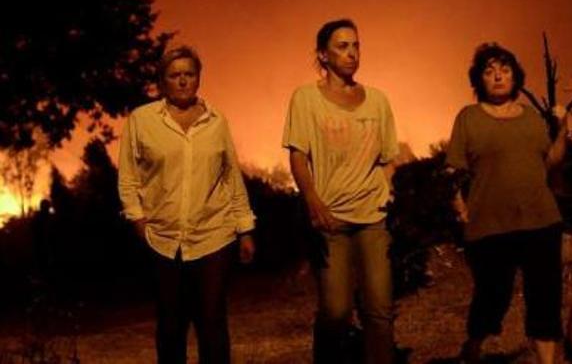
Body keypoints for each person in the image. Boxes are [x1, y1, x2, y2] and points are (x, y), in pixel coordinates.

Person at [118, 45, 256, 364]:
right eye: (174, 75)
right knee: (170, 325)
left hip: (213, 235)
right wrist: (138, 220)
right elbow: (128, 177)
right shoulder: (142, 120)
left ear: (199, 78)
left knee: (212, 322)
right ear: (162, 81)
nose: (182, 81)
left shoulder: (216, 122)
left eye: (189, 74)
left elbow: (231, 177)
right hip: (163, 239)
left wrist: (245, 228)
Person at [282, 18, 399, 364]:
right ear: (323, 54)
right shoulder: (305, 98)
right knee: (335, 310)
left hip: (373, 216)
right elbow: (298, 156)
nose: (351, 53)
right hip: (331, 217)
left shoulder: (377, 100)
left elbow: (388, 157)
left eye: (356, 45)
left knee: (379, 309)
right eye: (342, 46)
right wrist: (312, 200)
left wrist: (389, 193)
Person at [446, 43, 568, 364]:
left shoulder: (531, 118)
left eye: (505, 69)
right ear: (479, 80)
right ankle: (474, 345)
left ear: (515, 76)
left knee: (545, 296)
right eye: (489, 71)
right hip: (489, 225)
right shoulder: (468, 118)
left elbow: (550, 160)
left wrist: (563, 127)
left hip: (541, 220)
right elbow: (453, 168)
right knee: (492, 296)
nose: (498, 76)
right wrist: (459, 204)